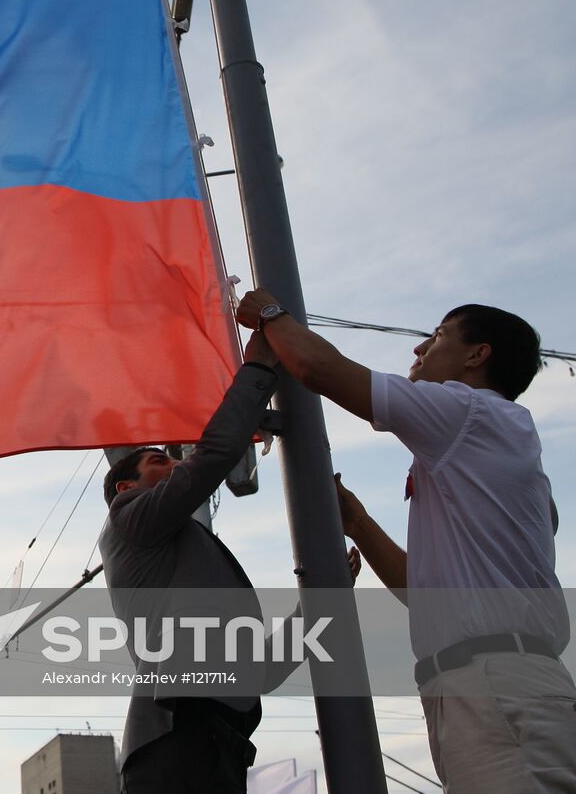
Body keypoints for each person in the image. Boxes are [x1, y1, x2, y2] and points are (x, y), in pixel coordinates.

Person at [237, 290, 575, 791]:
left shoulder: (472, 413)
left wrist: (269, 314)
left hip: (496, 682)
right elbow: (422, 594)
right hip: (477, 682)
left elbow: (318, 369)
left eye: (437, 336)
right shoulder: (485, 443)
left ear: (477, 355)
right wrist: (360, 523)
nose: (419, 350)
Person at [101, 331, 359, 792]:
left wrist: (322, 598)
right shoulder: (128, 518)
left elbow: (262, 669)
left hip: (219, 743)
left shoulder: (183, 552)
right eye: (161, 460)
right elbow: (212, 458)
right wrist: (257, 371)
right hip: (176, 738)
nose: (179, 463)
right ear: (126, 488)